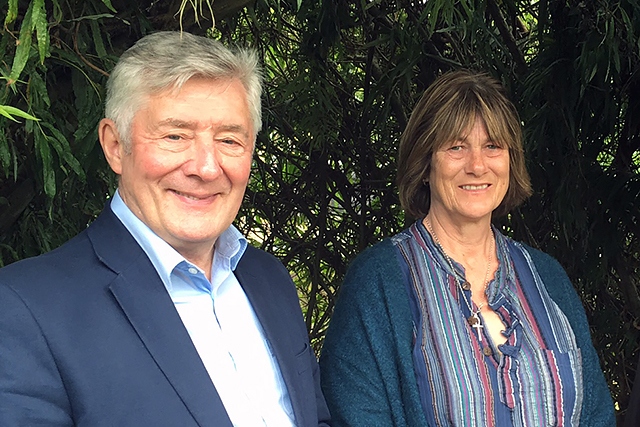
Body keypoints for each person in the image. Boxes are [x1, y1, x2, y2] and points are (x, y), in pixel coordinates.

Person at [0, 31, 330, 427]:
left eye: (229, 140)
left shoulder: (269, 280)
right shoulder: (25, 308)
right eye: (176, 136)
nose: (206, 168)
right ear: (115, 145)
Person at [319, 70, 614, 426]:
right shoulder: (378, 283)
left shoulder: (547, 277)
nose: (477, 165)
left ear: (510, 160)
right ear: (425, 163)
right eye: (456, 146)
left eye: (492, 146)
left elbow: (596, 414)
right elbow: (356, 416)